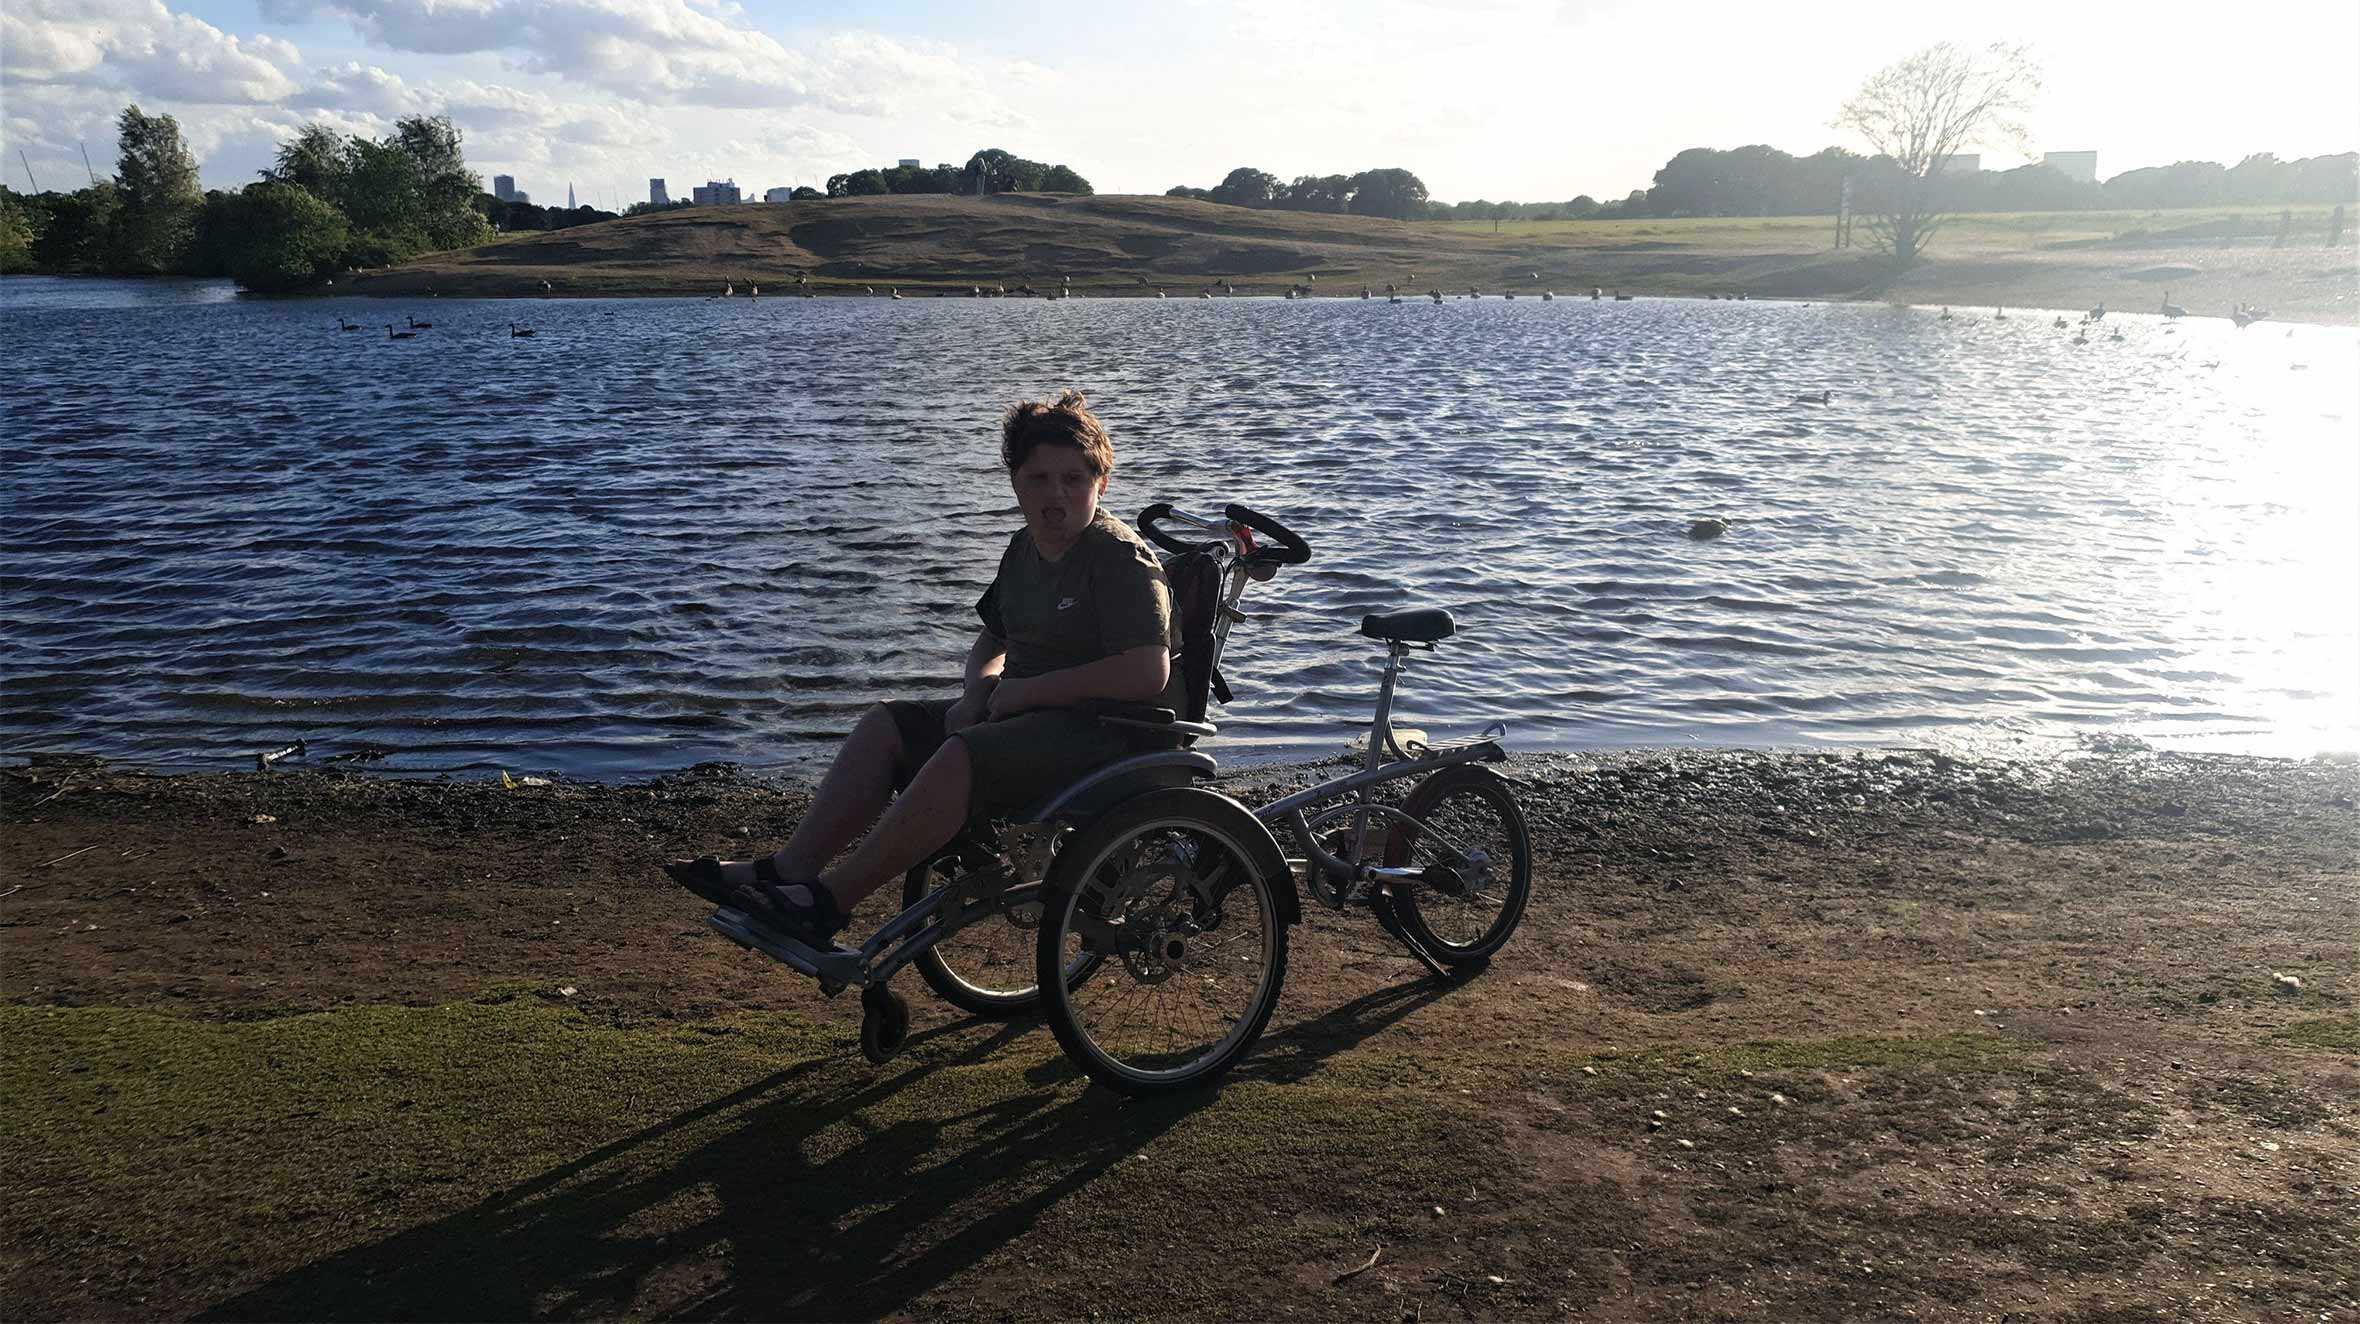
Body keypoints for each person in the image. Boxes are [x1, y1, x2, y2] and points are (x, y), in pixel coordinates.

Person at [664, 390, 1178, 946]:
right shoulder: (1023, 548)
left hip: (1103, 735)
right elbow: (993, 638)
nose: (1057, 496)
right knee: (888, 723)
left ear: (1102, 484)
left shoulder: (1117, 556)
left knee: (962, 754)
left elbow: (1148, 672)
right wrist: (976, 691)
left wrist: (1028, 693)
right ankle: (789, 868)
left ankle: (831, 901)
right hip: (1019, 717)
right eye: (1039, 479)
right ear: (1015, 483)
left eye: (1073, 480)